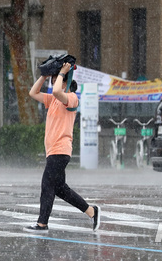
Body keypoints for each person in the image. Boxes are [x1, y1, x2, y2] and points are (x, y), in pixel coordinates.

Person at [24, 62, 100, 233]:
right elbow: (33, 93)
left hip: (60, 150)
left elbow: (58, 91)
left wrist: (63, 72)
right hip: (53, 151)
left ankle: (42, 223)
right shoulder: (52, 101)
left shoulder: (72, 98)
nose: (52, 81)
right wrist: (44, 75)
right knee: (60, 188)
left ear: (65, 82)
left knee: (46, 185)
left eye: (55, 79)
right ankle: (92, 211)